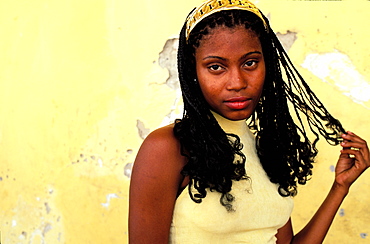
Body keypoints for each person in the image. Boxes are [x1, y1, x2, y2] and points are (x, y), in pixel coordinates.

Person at [128, 0, 369, 243]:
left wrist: (340, 188)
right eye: (216, 67)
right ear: (194, 72)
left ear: (268, 65)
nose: (237, 82)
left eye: (250, 63)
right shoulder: (167, 148)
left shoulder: (263, 147)